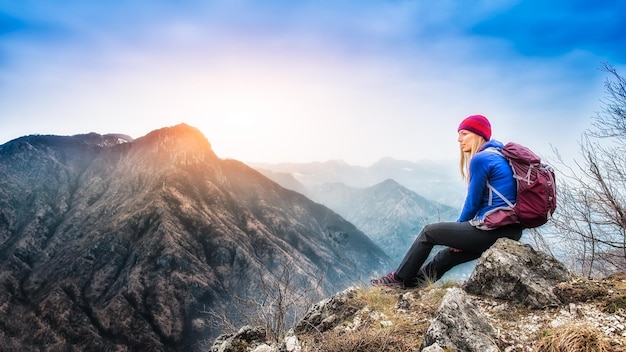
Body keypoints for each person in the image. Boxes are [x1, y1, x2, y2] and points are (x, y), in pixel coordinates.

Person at [371, 114, 523, 288]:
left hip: (495, 230)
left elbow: (472, 203)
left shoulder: (480, 159)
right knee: (446, 256)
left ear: (479, 135)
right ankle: (412, 286)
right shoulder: (499, 155)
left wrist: (457, 236)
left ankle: (398, 279)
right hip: (511, 231)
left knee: (429, 232)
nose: (459, 139)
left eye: (464, 134)